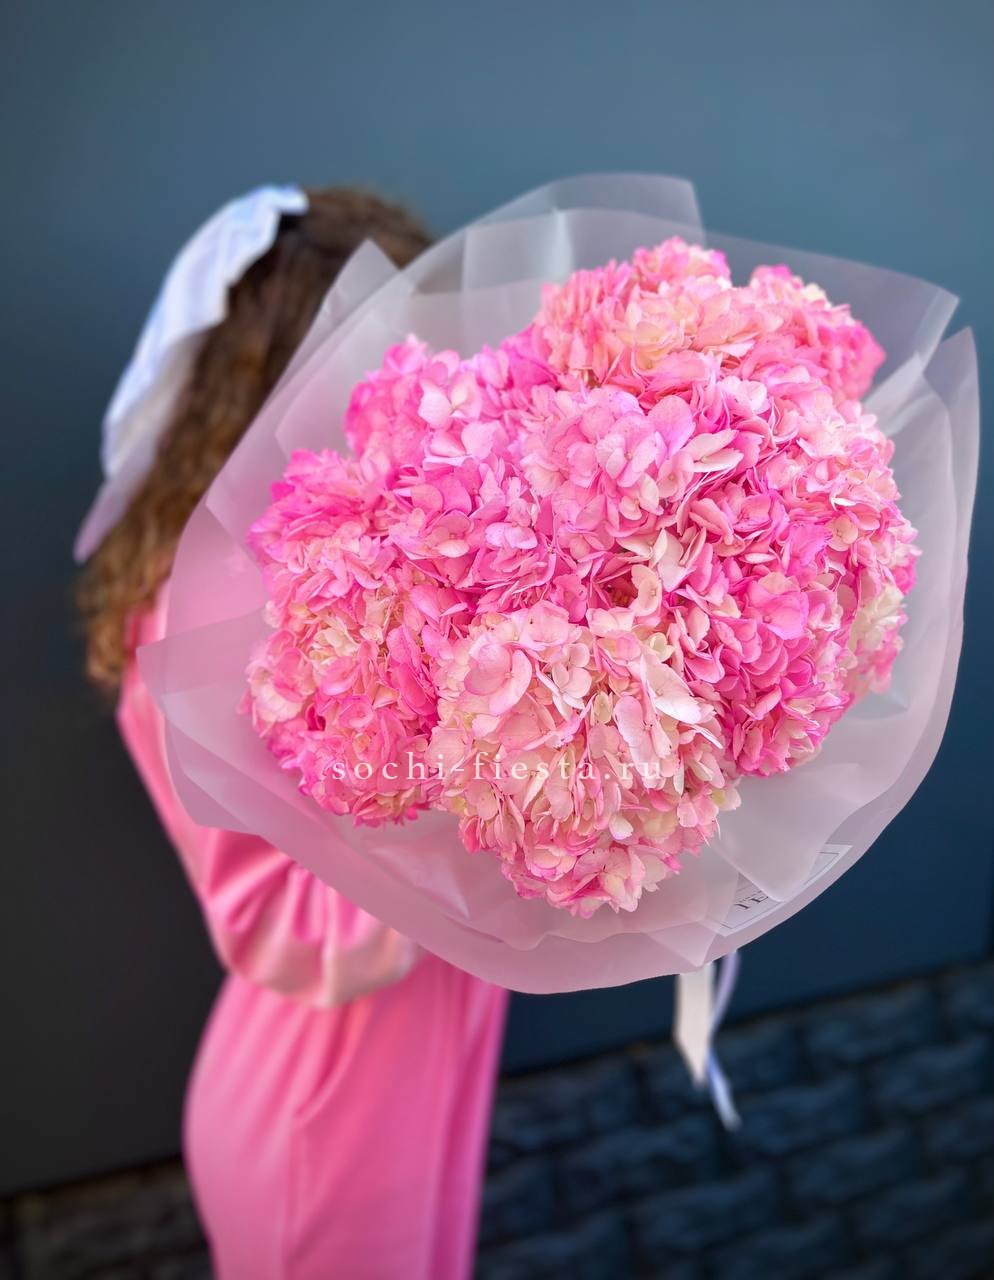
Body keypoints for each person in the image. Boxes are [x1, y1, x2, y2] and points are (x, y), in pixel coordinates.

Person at [77, 186, 509, 1280]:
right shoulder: (199, 613)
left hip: (417, 1078)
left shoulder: (394, 548)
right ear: (282, 379)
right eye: (389, 347)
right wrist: (503, 790)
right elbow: (283, 923)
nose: (428, 377)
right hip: (328, 1112)